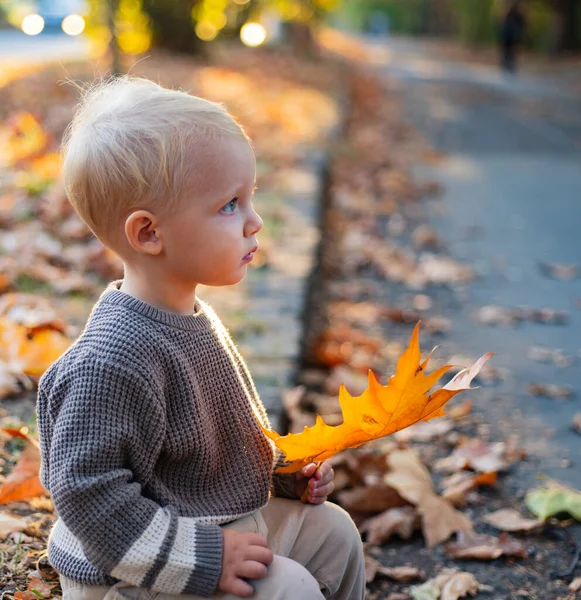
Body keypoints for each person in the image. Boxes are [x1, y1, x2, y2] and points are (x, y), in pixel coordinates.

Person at [36, 76, 365, 600]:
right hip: (126, 572)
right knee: (288, 587)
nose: (254, 222)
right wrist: (205, 559)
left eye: (248, 198)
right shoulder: (111, 361)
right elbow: (88, 496)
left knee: (335, 535)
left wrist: (279, 477)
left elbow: (208, 451)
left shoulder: (191, 318)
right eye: (229, 205)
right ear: (148, 233)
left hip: (204, 519)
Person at [499, 0, 526, 73]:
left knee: (511, 51)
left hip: (513, 37)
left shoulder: (517, 15)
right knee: (507, 51)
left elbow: (521, 26)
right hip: (507, 36)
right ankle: (506, 65)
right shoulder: (508, 15)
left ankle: (510, 65)